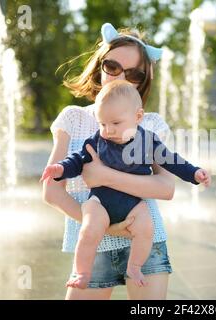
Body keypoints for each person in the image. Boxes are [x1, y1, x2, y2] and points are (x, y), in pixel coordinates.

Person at [43, 22, 188, 300]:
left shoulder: (152, 124)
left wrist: (104, 177)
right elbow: (51, 191)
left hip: (145, 240)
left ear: (142, 80)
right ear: (100, 66)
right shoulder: (73, 118)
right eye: (112, 66)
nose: (121, 76)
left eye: (133, 73)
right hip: (92, 246)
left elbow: (165, 188)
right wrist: (106, 227)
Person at [41, 80, 211, 289]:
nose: (108, 130)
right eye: (103, 124)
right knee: (89, 228)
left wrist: (194, 173)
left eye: (115, 123)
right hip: (100, 202)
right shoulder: (97, 140)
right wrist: (60, 169)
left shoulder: (148, 141)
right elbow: (77, 160)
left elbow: (172, 160)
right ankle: (83, 272)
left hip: (132, 205)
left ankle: (134, 266)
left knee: (145, 227)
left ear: (137, 117)